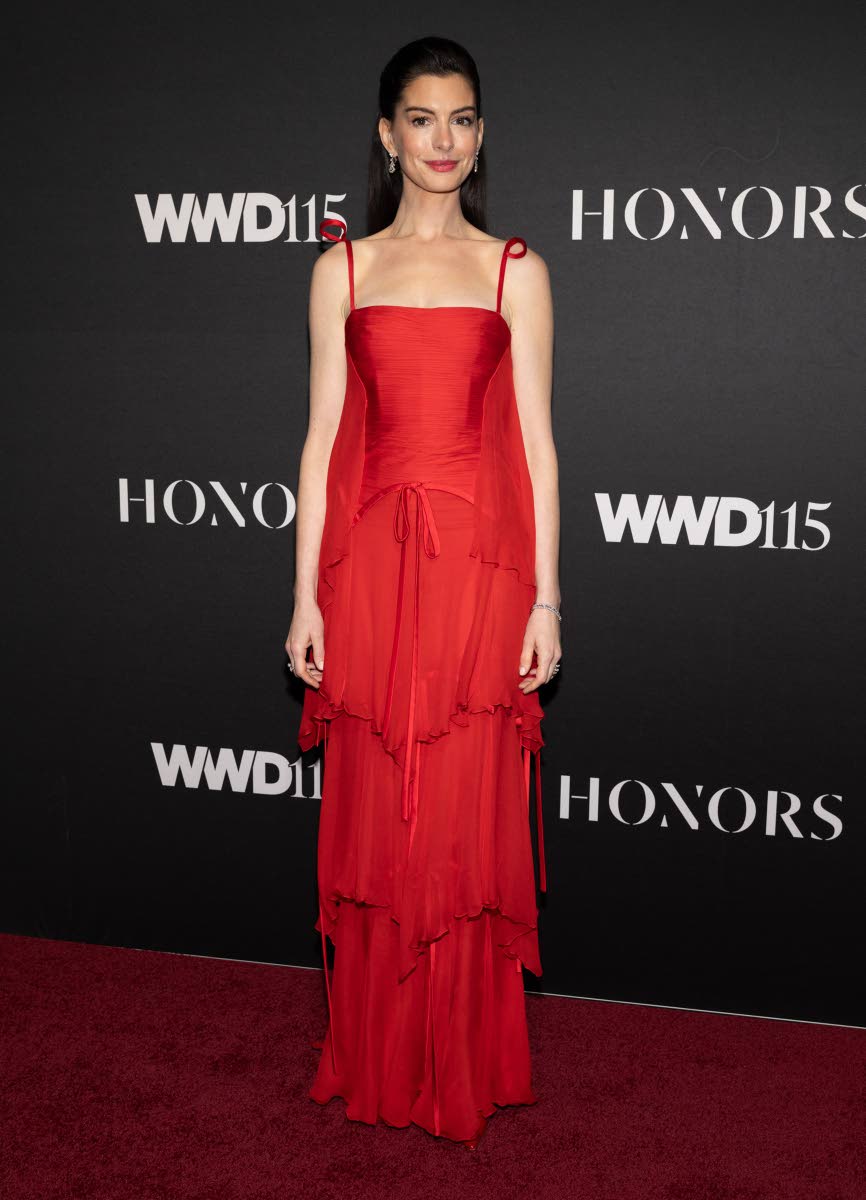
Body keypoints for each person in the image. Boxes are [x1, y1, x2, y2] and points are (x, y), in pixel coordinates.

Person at [286, 35, 561, 1149]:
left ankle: (454, 1061)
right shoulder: (340, 269)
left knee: (455, 824)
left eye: (460, 119)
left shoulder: (516, 269)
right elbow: (319, 441)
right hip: (371, 573)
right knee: (380, 824)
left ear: (480, 133)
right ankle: (379, 1056)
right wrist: (303, 596)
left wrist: (546, 597)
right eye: (419, 118)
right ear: (386, 134)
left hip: (478, 576)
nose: (441, 140)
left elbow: (537, 443)